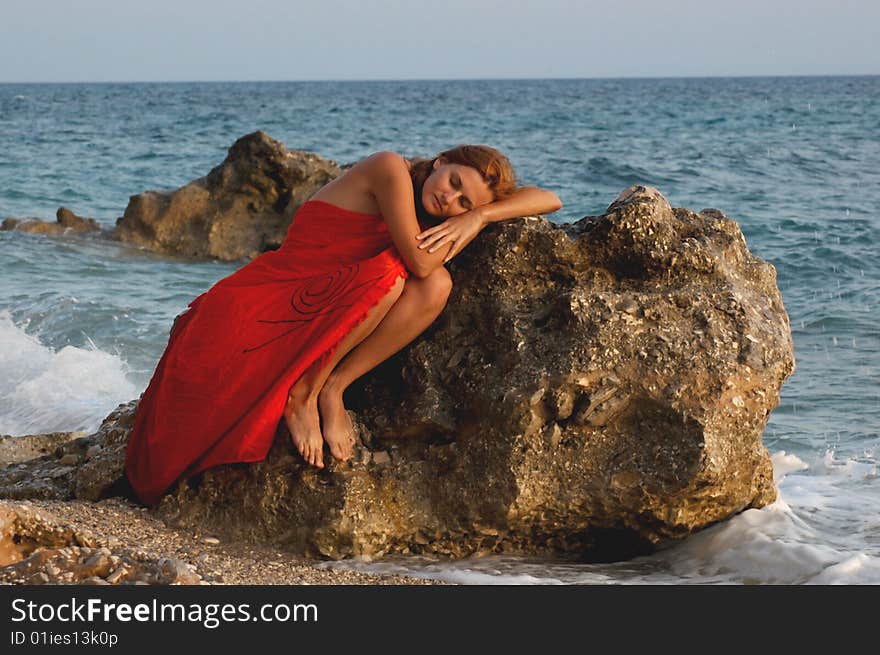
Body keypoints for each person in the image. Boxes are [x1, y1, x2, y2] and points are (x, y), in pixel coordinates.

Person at [124, 145, 562, 505]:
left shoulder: (454, 210)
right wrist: (471, 217)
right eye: (453, 184)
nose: (451, 201)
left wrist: (480, 217)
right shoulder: (389, 168)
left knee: (434, 287)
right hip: (265, 299)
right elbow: (419, 259)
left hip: (326, 303)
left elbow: (550, 198)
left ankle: (332, 389)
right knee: (395, 274)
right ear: (441, 161)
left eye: (464, 202)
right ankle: (303, 395)